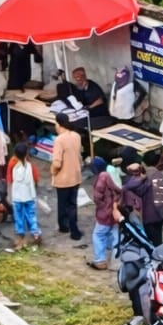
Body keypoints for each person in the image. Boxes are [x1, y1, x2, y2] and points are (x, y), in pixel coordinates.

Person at [51, 116, 83, 244]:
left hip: (63, 178)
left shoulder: (59, 140)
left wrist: (52, 171)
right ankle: (74, 230)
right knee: (72, 204)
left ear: (59, 124)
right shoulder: (76, 136)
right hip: (75, 175)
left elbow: (57, 163)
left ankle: (64, 227)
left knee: (63, 204)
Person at [90, 155, 122, 270]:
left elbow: (97, 197)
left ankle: (100, 260)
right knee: (115, 235)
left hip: (105, 212)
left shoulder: (101, 178)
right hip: (115, 210)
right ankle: (116, 262)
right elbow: (118, 192)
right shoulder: (110, 174)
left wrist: (102, 207)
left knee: (98, 234)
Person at [7, 142, 40, 249]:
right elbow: (35, 179)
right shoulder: (30, 165)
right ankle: (35, 234)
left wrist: (9, 194)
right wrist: (35, 189)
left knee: (19, 216)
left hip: (17, 197)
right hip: (29, 195)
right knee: (31, 215)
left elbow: (9, 179)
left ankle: (20, 236)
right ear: (26, 154)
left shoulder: (12, 163)